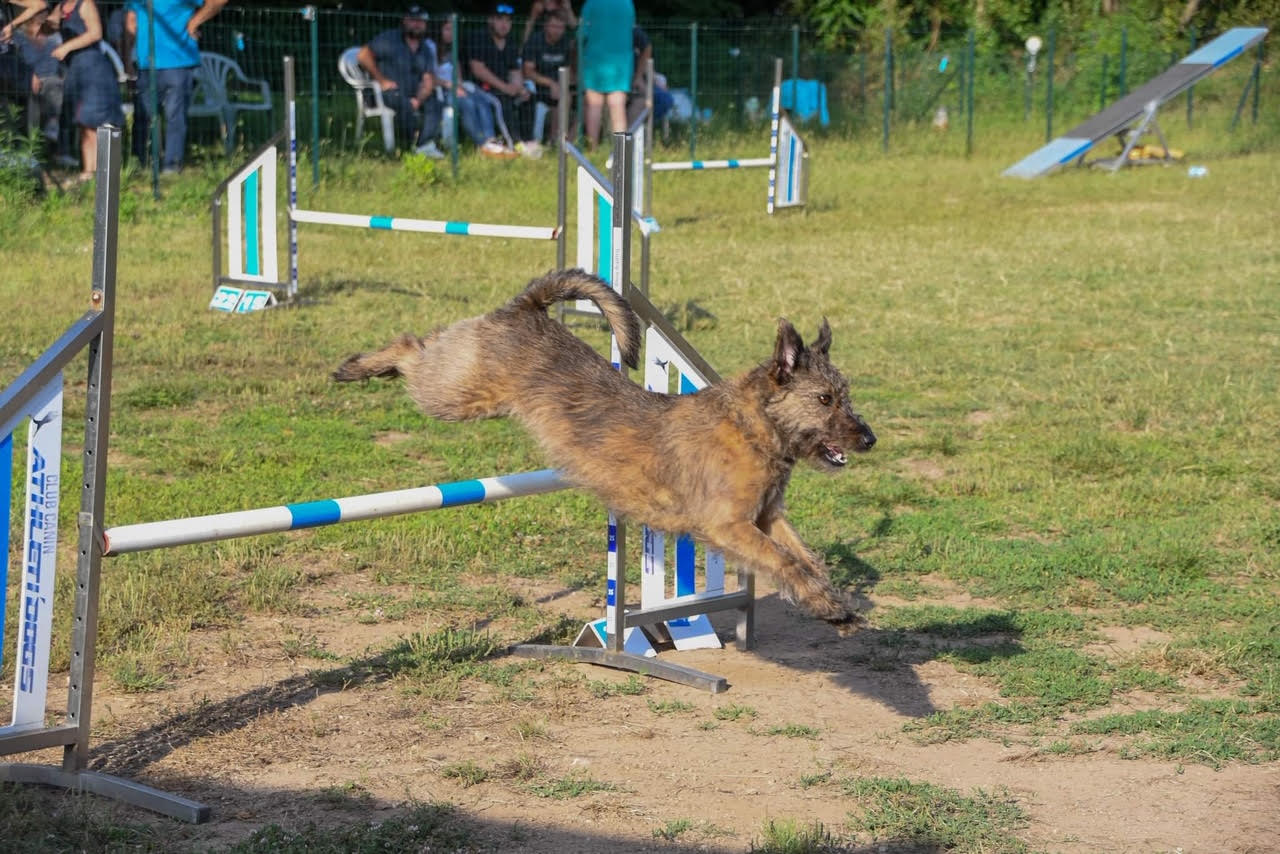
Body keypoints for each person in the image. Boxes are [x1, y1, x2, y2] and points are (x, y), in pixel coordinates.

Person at [125, 0, 226, 174]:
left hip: (176, 63)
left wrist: (195, 22)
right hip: (147, 63)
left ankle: (164, 164)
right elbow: (130, 22)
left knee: (168, 117)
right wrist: (129, 56)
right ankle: (147, 162)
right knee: (149, 117)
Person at [357, 6, 444, 159]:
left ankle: (424, 145)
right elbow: (363, 55)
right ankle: (409, 146)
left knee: (435, 103)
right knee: (404, 104)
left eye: (421, 21)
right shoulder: (389, 39)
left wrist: (419, 99)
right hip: (388, 92)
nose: (417, 24)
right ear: (405, 21)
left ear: (425, 24)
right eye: (413, 20)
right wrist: (382, 80)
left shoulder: (426, 48)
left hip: (415, 92)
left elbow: (428, 78)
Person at [50, 0, 123, 181]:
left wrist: (67, 46)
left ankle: (102, 172)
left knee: (96, 122)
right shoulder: (61, 7)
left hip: (94, 68)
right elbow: (48, 27)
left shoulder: (85, 4)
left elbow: (96, 33)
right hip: (75, 69)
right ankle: (88, 171)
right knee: (83, 123)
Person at [432, 14, 512, 159]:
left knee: (483, 101)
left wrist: (460, 85)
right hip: (440, 91)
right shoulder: (429, 48)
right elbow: (428, 77)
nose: (451, 34)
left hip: (457, 88)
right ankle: (482, 144)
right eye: (448, 29)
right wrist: (451, 85)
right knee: (467, 103)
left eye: (454, 30)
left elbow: (458, 73)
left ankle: (491, 140)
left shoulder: (454, 50)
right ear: (439, 29)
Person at [465, 3, 539, 157]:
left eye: (507, 20)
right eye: (500, 19)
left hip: (505, 86)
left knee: (528, 97)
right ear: (490, 21)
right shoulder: (479, 38)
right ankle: (514, 143)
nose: (504, 24)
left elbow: (515, 70)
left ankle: (529, 140)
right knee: (501, 101)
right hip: (480, 88)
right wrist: (505, 87)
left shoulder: (510, 42)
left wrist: (519, 88)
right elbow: (478, 70)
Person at [578, 0, 632, 148]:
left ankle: (592, 149)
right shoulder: (627, 3)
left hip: (595, 61)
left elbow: (581, 34)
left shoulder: (591, 4)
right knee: (618, 106)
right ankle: (621, 152)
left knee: (594, 106)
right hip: (621, 63)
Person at [11, 7, 64, 157]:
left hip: (51, 79)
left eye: (46, 11)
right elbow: (18, 61)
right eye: (40, 11)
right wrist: (31, 75)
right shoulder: (18, 36)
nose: (44, 14)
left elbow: (61, 61)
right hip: (27, 78)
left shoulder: (54, 36)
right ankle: (31, 145)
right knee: (32, 96)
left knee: (54, 84)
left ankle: (51, 131)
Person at [521, 7, 570, 143]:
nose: (557, 30)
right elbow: (528, 72)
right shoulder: (535, 41)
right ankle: (550, 140)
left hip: (559, 86)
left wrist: (561, 86)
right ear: (545, 26)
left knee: (569, 97)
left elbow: (568, 69)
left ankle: (556, 140)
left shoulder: (566, 43)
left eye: (561, 27)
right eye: (554, 26)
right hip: (536, 87)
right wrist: (551, 84)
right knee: (562, 96)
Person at [628, 26, 672, 129]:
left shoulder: (640, 46)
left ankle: (639, 131)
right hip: (630, 84)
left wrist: (658, 79)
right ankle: (629, 136)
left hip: (642, 81)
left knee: (665, 98)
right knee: (641, 99)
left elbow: (649, 67)